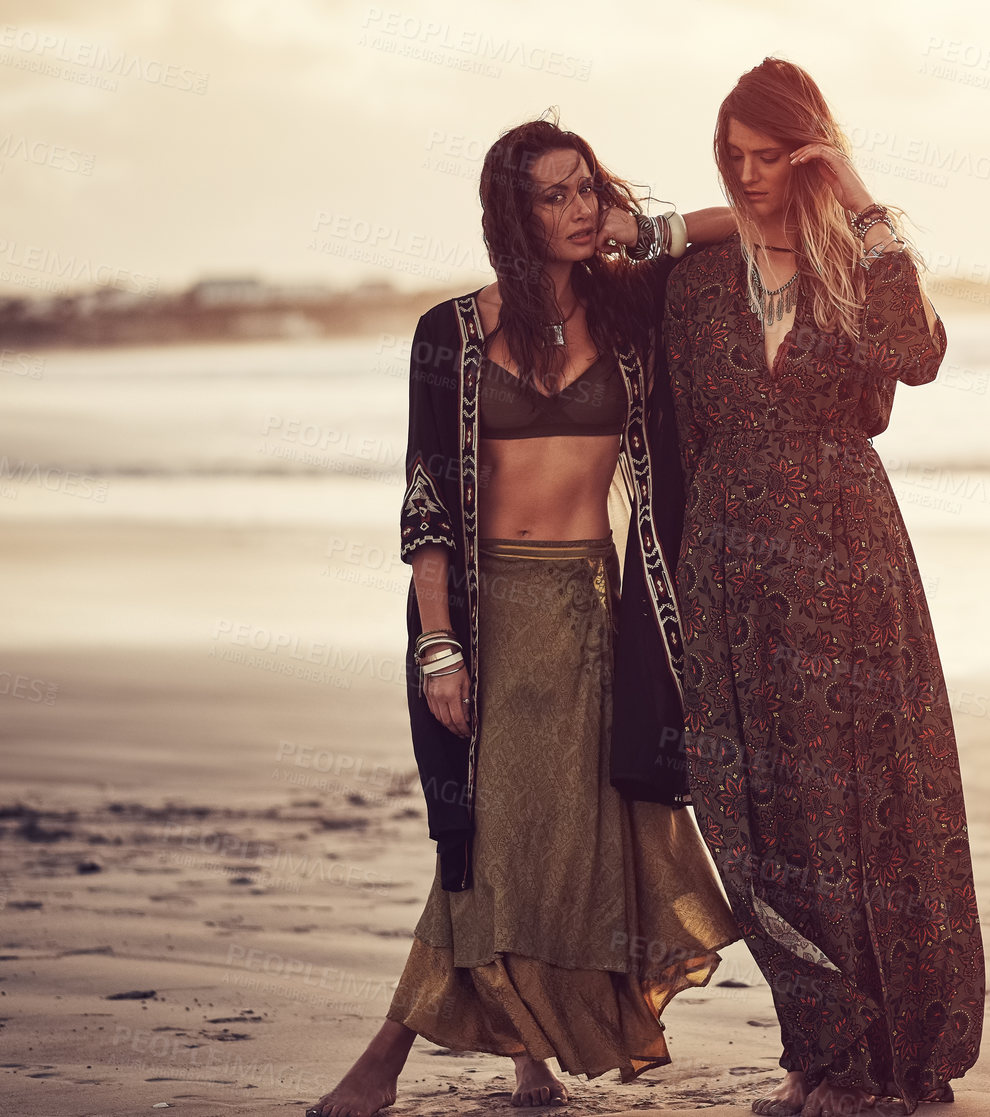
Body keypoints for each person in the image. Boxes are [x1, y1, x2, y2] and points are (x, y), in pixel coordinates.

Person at [307, 117, 740, 1117]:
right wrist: (438, 645)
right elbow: (426, 498)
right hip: (488, 619)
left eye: (588, 187)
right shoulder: (451, 332)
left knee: (572, 839)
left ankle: (526, 1053)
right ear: (512, 211)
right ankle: (390, 1055)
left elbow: (757, 228)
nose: (580, 208)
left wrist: (651, 229)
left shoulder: (633, 314)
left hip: (594, 616)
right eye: (555, 194)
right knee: (488, 839)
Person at [662, 59, 985, 1117]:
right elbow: (666, 411)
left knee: (870, 802)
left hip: (848, 555)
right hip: (728, 557)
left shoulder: (856, 263)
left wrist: (855, 196)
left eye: (771, 157)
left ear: (808, 150)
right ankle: (823, 1047)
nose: (751, 179)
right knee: (759, 809)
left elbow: (921, 355)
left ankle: (893, 1057)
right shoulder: (698, 278)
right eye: (735, 160)